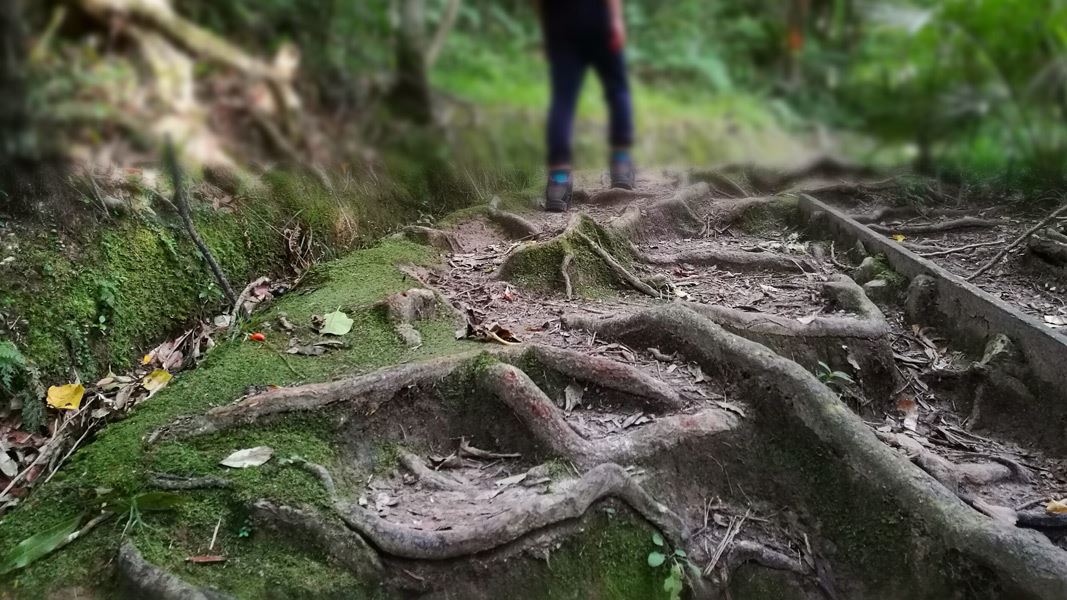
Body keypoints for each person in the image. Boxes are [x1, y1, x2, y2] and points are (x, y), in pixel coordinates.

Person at [537, 0, 635, 212]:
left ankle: (558, 182)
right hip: (598, 16)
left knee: (563, 98)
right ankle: (621, 165)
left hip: (560, 20)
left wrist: (547, 29)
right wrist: (616, 19)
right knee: (617, 88)